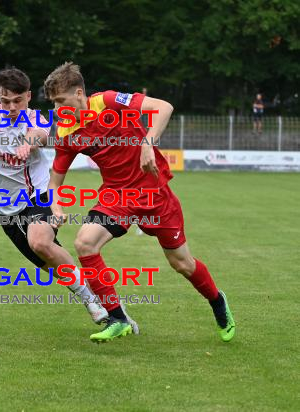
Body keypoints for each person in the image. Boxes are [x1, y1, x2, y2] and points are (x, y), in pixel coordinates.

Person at [43, 62, 235, 343]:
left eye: (61, 101)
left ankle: (218, 301)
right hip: (117, 196)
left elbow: (164, 107)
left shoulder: (107, 101)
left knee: (182, 264)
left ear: (79, 93)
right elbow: (54, 184)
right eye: (54, 104)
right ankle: (118, 318)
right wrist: (56, 206)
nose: (59, 109)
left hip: (155, 193)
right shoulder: (66, 131)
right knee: (85, 243)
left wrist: (147, 142)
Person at [0, 68, 139, 328]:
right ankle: (102, 298)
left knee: (39, 242)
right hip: (6, 209)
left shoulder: (35, 117)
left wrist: (27, 143)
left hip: (37, 196)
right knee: (50, 263)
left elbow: (39, 134)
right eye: (6, 101)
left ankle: (93, 302)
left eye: (18, 100)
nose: (11, 107)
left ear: (28, 96)